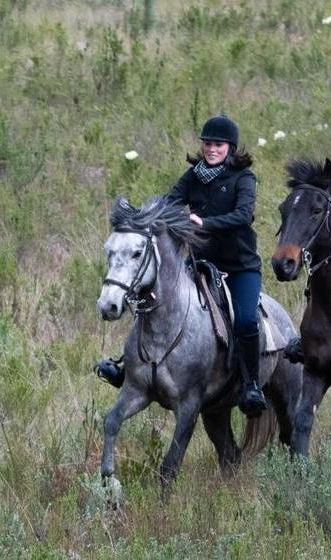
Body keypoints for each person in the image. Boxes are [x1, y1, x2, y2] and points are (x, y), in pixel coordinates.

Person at [97, 114, 267, 418]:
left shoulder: (243, 178)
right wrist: (140, 217)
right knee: (154, 301)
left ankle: (251, 384)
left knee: (244, 320)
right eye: (208, 144)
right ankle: (127, 368)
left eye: (218, 144)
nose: (212, 149)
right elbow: (169, 202)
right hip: (200, 262)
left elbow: (243, 216)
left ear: (230, 147)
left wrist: (206, 222)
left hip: (240, 266)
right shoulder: (194, 176)